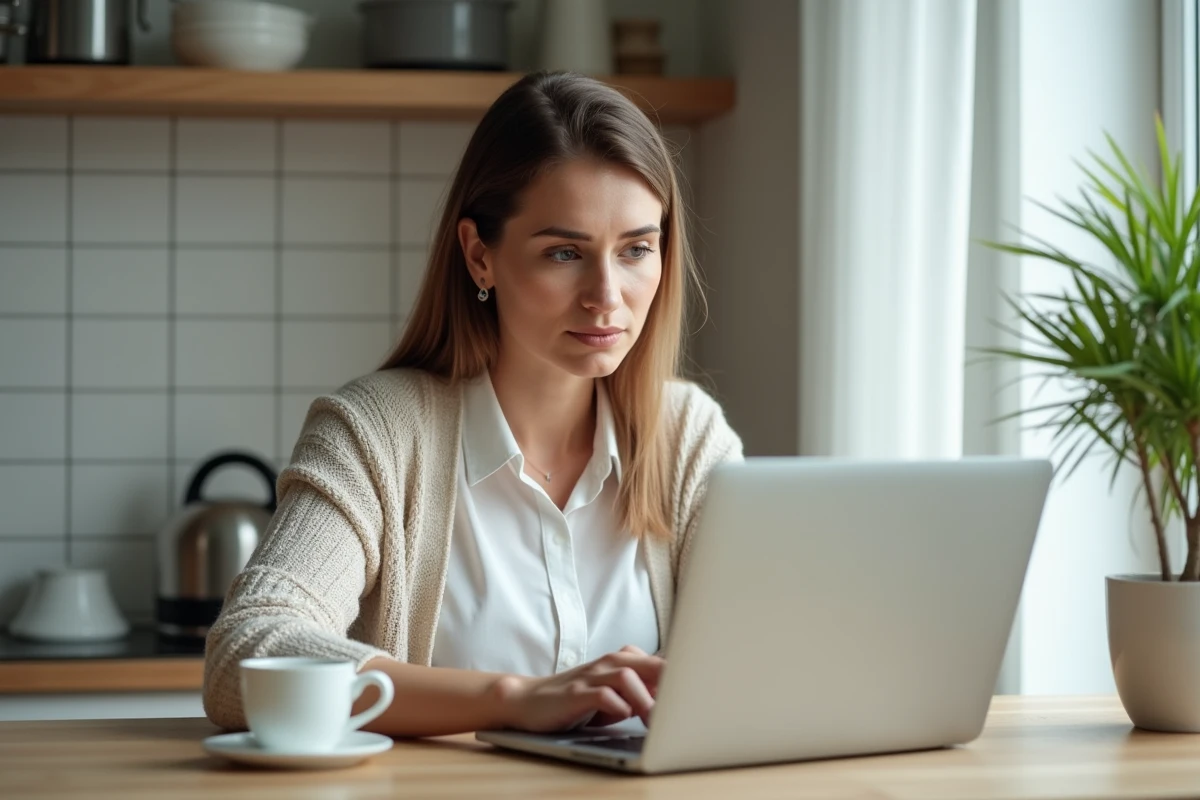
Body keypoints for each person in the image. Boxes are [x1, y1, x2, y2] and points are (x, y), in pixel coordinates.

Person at [201, 70, 743, 738]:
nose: (607, 295)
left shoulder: (688, 435)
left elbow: (766, 655)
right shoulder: (376, 434)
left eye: (636, 248)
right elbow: (245, 654)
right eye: (565, 252)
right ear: (479, 256)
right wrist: (511, 698)